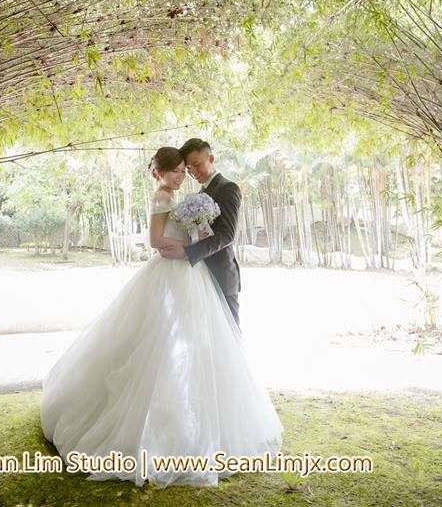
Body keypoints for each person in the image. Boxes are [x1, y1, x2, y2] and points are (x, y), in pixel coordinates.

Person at [40, 146, 283, 488]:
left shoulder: (224, 189)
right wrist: (186, 246)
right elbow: (159, 238)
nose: (187, 173)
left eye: (191, 167)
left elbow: (225, 236)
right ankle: (179, 423)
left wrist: (190, 246)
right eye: (182, 169)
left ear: (210, 159)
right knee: (170, 349)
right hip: (182, 274)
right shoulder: (173, 196)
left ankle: (219, 421)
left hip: (209, 278)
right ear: (160, 172)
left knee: (222, 352)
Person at [157, 138, 243, 327]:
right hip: (200, 277)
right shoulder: (202, 192)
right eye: (189, 169)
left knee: (230, 338)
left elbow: (226, 235)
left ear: (210, 158)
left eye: (196, 165)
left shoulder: (228, 188)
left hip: (221, 275)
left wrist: (187, 252)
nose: (193, 172)